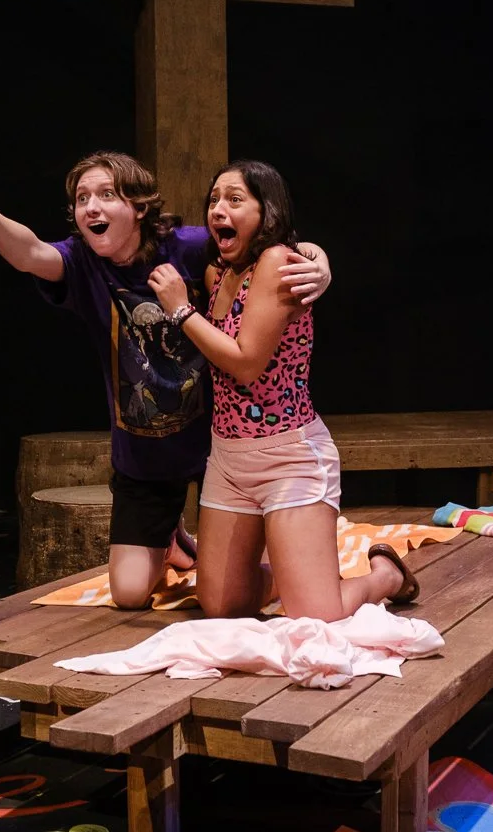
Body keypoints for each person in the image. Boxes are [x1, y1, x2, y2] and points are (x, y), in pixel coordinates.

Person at [0, 152, 331, 609]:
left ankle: (280, 574)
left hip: (217, 445)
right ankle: (174, 542)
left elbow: (267, 247)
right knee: (128, 594)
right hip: (144, 451)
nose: (92, 207)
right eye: (83, 199)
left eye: (107, 194)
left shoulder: (188, 247)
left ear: (140, 207)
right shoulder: (83, 263)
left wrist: (319, 261)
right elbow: (30, 253)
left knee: (228, 590)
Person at [146, 158, 419, 621]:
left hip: (288, 456)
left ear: (266, 211)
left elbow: (247, 363)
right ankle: (296, 573)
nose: (218, 209)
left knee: (316, 618)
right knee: (221, 605)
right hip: (229, 458)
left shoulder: (276, 262)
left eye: (235, 199)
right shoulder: (218, 274)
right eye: (214, 199)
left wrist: (180, 311)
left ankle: (384, 577)